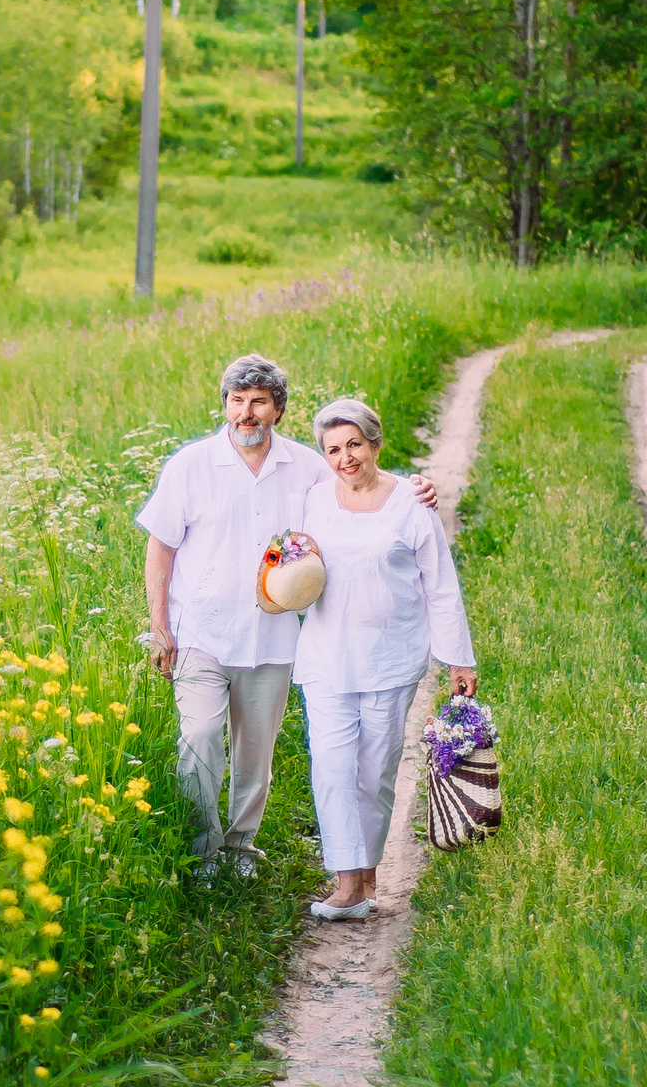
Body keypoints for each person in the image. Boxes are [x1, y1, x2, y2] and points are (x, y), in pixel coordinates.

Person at [136, 356, 436, 873]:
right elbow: (160, 547)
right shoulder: (190, 466)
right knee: (200, 738)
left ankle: (240, 847)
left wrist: (415, 489)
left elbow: (361, 482)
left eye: (258, 402)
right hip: (199, 633)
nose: (246, 413)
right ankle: (202, 852)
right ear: (224, 405)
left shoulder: (307, 468)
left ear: (278, 409)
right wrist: (159, 625)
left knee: (256, 753)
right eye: (236, 401)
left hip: (272, 637)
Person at [292, 395, 477, 919]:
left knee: (375, 773)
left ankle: (367, 874)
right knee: (332, 769)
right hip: (326, 656)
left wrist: (459, 660)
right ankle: (348, 883)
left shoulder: (411, 504)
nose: (345, 458)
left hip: (390, 659)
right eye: (333, 449)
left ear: (375, 445)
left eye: (354, 444)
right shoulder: (313, 500)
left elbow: (440, 585)